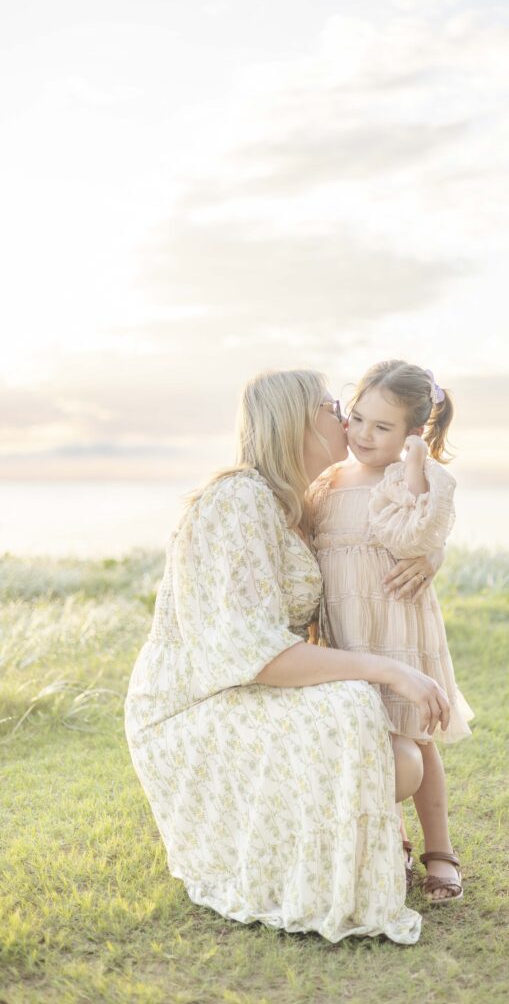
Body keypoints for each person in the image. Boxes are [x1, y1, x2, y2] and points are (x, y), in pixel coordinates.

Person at [124, 369, 452, 945]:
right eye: (331, 407)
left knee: (398, 749)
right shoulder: (240, 498)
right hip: (200, 704)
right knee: (373, 727)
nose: (345, 419)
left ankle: (380, 852)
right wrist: (389, 669)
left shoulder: (294, 503)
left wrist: (432, 557)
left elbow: (392, 534)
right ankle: (336, 860)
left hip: (249, 688)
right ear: (295, 422)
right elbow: (257, 654)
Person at [307, 360, 475, 903]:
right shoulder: (328, 480)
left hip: (397, 623)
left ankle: (440, 850)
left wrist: (434, 548)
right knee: (371, 739)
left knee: (414, 736)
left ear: (413, 434)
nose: (361, 435)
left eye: (382, 428)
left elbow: (421, 531)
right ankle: (394, 841)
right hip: (347, 630)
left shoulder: (407, 478)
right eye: (356, 419)